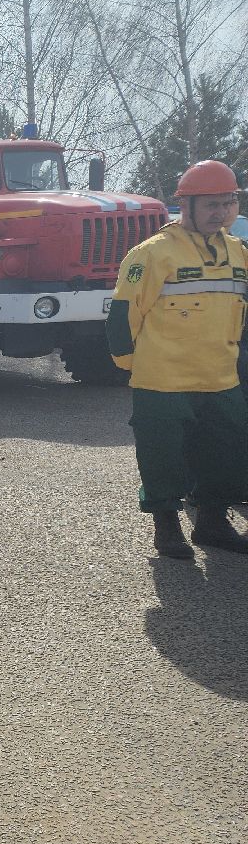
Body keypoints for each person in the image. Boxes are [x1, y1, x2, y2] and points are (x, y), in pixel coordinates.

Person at [107, 159, 248, 558]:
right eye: (210, 205)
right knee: (162, 456)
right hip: (161, 381)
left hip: (221, 379)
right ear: (186, 207)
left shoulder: (239, 252)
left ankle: (212, 522)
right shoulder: (151, 254)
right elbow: (122, 316)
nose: (218, 213)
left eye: (226, 203)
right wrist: (130, 366)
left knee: (226, 452)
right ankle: (167, 528)